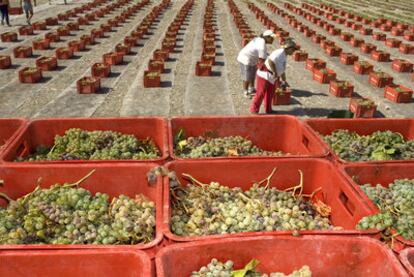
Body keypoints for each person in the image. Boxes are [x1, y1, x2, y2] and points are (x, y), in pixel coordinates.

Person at [250, 38, 296, 114]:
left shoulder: (284, 55)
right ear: (288, 48)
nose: (293, 51)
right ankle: (254, 110)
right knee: (261, 93)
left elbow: (282, 70)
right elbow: (270, 61)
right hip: (265, 74)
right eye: (293, 49)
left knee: (270, 93)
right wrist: (275, 72)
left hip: (272, 77)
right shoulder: (279, 52)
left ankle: (268, 110)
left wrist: (284, 81)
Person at [237, 30, 276, 98]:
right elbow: (262, 61)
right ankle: (246, 92)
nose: (273, 40)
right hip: (245, 59)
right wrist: (272, 70)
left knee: (252, 74)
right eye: (272, 38)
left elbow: (263, 56)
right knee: (247, 76)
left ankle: (251, 88)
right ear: (267, 37)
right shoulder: (262, 46)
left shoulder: (260, 39)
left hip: (251, 58)